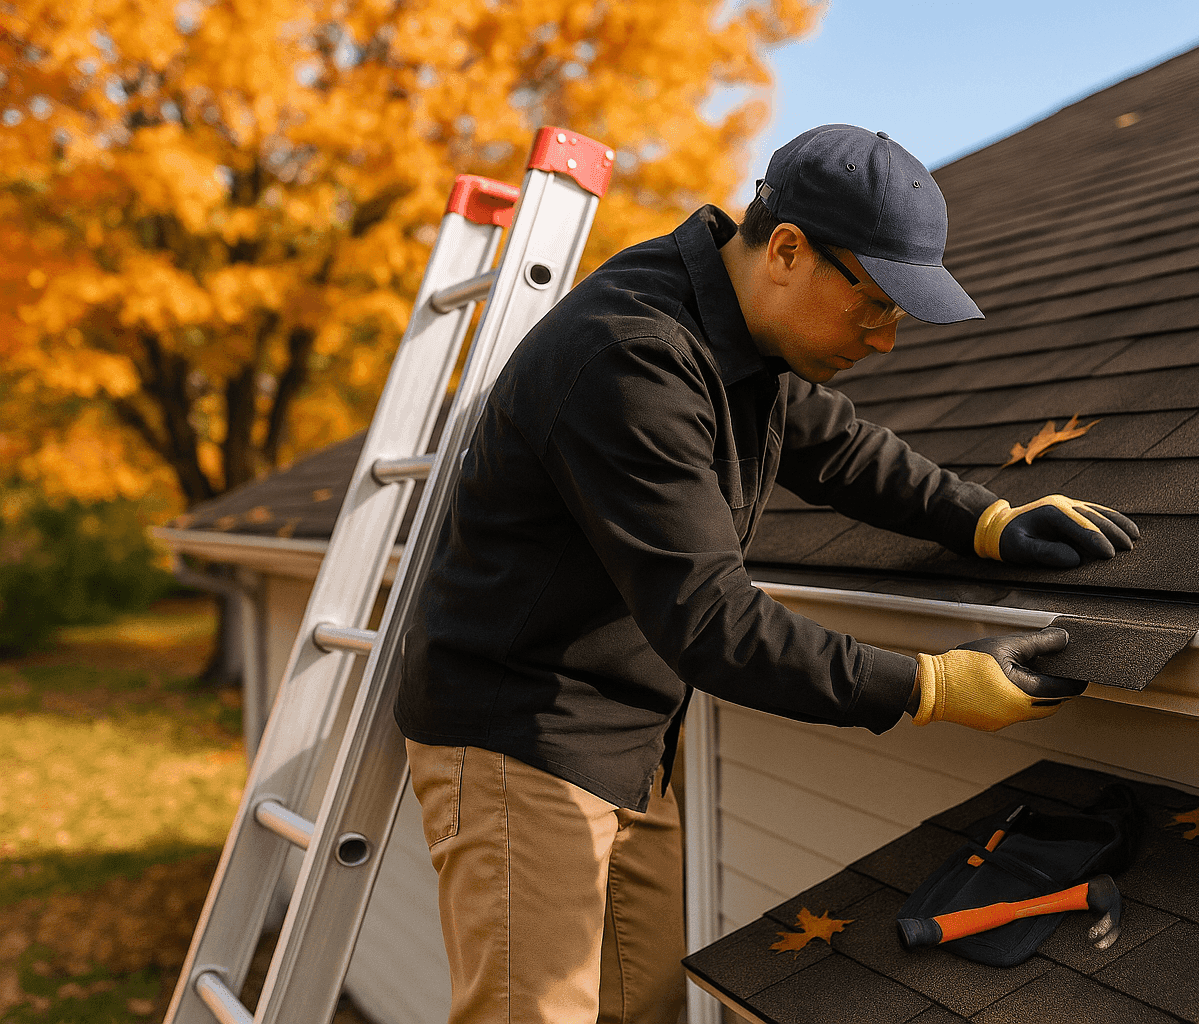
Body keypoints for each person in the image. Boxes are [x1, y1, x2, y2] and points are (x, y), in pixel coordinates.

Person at [394, 124, 1140, 1024]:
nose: (885, 340)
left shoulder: (736, 330)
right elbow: (712, 623)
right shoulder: (632, 353)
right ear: (787, 250)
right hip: (525, 737)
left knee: (647, 1009)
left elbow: (837, 447)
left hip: (627, 742)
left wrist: (984, 521)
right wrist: (930, 686)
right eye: (875, 306)